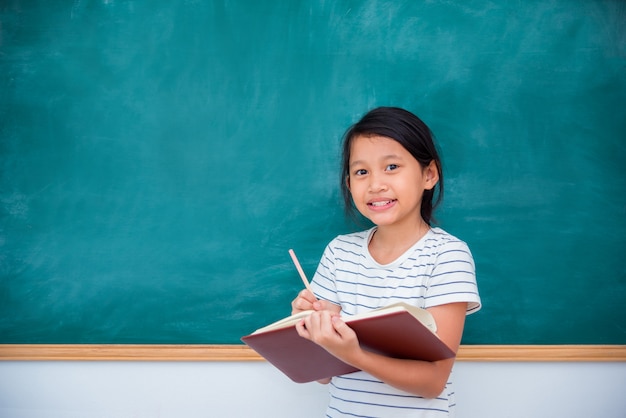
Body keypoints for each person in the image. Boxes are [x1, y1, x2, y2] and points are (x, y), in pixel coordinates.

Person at [290, 107, 481, 417]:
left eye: (391, 166)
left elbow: (433, 381)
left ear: (429, 174)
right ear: (349, 183)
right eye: (361, 171)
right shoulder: (340, 253)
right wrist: (309, 328)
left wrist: (355, 354)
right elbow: (323, 373)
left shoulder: (446, 255)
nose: (375, 184)